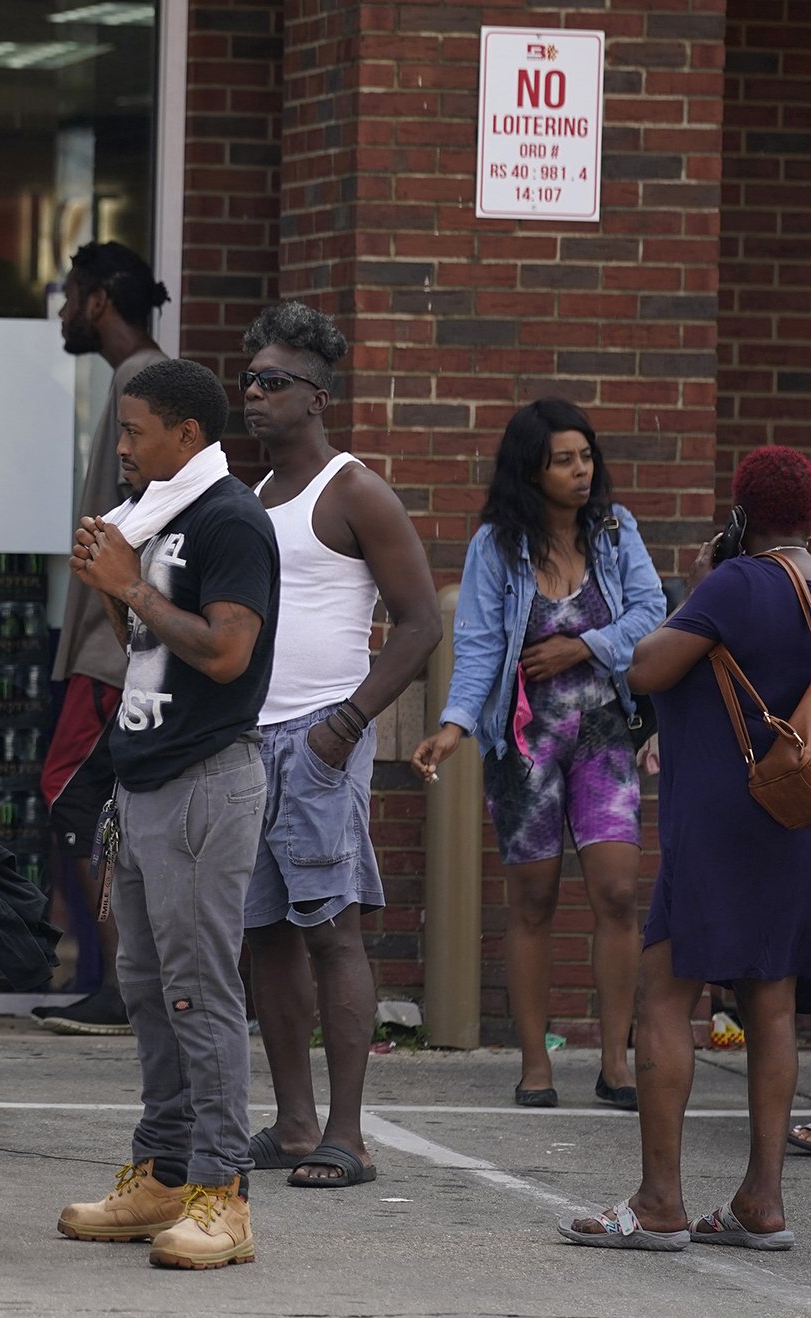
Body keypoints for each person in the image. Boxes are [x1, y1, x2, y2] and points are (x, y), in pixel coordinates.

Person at [556, 445, 811, 1253]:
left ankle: (659, 1201)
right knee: (770, 998)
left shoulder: (739, 582)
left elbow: (647, 665)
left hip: (720, 814)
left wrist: (702, 584)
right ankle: (760, 1201)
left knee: (665, 993)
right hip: (790, 811)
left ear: (744, 510)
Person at [58, 358, 278, 1269]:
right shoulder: (158, 520)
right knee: (148, 989)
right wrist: (116, 585)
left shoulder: (231, 518)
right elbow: (145, 645)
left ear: (187, 436)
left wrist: (133, 581)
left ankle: (223, 1194)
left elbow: (226, 654)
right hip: (146, 780)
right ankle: (162, 1169)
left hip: (204, 780)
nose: (123, 446)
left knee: (199, 989)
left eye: (135, 430)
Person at [411, 400, 665, 1110]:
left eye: (586, 456)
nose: (581, 470)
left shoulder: (615, 532)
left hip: (604, 736)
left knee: (617, 889)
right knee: (533, 898)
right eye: (564, 459)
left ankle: (616, 1061)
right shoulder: (498, 545)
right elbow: (480, 646)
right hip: (525, 743)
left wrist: (585, 644)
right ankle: (535, 1063)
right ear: (533, 467)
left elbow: (651, 610)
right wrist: (454, 726)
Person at [239, 303, 442, 1187]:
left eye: (272, 382)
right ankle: (292, 1123)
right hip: (247, 742)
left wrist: (348, 723)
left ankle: (347, 1135)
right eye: (248, 379)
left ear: (317, 397)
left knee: (331, 932)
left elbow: (421, 623)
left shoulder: (355, 490)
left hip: (321, 736)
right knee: (264, 937)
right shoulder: (251, 498)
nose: (253, 394)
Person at [35, 241, 169, 1034]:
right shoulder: (133, 376)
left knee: (71, 793)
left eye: (70, 294)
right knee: (100, 805)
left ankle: (122, 981)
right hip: (103, 638)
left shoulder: (141, 380)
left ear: (99, 302)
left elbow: (144, 518)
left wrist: (126, 623)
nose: (61, 311)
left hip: (113, 647)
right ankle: (119, 976)